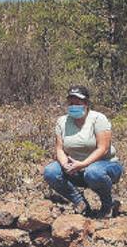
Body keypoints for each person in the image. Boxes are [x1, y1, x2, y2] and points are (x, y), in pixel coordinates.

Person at [44, 86, 122, 218]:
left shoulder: (98, 119)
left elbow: (103, 148)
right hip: (75, 168)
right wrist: (65, 164)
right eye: (71, 103)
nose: (74, 106)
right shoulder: (62, 122)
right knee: (51, 171)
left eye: (78, 102)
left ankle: (108, 205)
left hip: (104, 165)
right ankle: (80, 202)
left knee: (93, 172)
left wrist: (83, 164)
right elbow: (59, 148)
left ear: (86, 103)